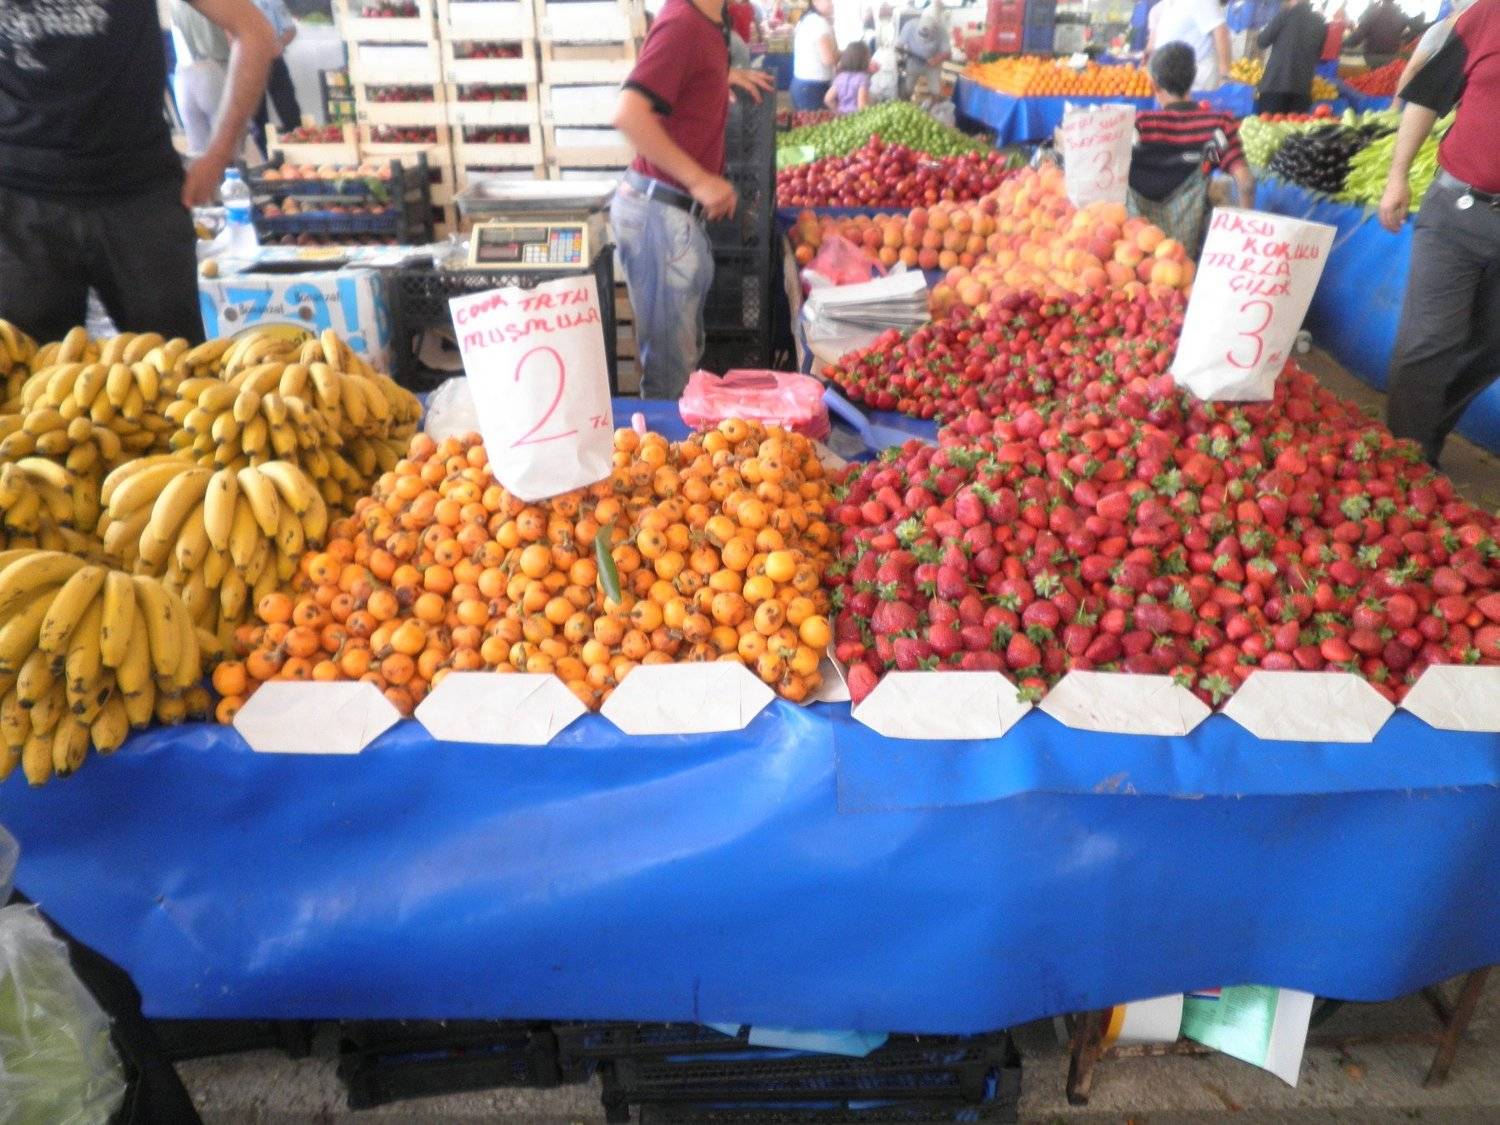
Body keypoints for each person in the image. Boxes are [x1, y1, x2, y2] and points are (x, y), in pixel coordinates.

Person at [0, 0, 276, 347]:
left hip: (140, 201)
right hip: (19, 203)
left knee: (175, 370)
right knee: (26, 374)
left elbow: (254, 32)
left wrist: (219, 155)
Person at [610, 0, 774, 399]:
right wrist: (699, 179)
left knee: (681, 361)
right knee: (670, 375)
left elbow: (687, 77)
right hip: (659, 213)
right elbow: (629, 114)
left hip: (674, 217)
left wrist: (720, 76)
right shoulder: (682, 24)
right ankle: (661, 438)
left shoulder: (712, 23)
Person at [1378, 0, 1500, 467]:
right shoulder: (1485, 17)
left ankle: (1423, 441)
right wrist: (1397, 175)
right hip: (1457, 211)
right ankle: (1406, 464)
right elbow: (1427, 97)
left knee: (1490, 348)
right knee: (1428, 343)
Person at [1127, 42, 1256, 254]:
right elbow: (1246, 182)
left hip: (1137, 250)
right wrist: (1243, 241)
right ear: (1192, 79)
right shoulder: (1217, 127)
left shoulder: (1139, 125)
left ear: (1155, 86)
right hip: (1185, 254)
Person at [1256, 0, 1327, 113]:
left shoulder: (1285, 15)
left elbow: (1262, 42)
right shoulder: (1320, 23)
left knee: (1268, 122)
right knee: (1295, 124)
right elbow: (1318, 54)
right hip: (1302, 90)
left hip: (1275, 85)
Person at [1148, 0, 1232, 90]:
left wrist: (1224, 75)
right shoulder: (1169, 4)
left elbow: (1220, 32)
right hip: (1176, 78)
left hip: (1198, 77)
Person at [253, 0, 304, 149]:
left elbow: (290, 30)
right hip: (247, 62)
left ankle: (299, 150)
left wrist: (277, 45)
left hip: (274, 59)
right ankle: (266, 156)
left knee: (289, 111)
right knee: (256, 116)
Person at [791, 0, 838, 110]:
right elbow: (829, 59)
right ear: (814, 2)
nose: (831, 3)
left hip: (803, 84)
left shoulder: (809, 19)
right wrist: (846, 55)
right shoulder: (819, 24)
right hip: (813, 87)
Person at [897, 8, 949, 102]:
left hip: (933, 64)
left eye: (927, 35)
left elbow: (947, 53)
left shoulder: (942, 31)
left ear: (935, 29)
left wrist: (936, 59)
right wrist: (900, 55)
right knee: (908, 88)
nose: (924, 37)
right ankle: (904, 105)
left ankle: (935, 108)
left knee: (935, 90)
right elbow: (899, 46)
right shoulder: (909, 26)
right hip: (913, 62)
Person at [1345, 0, 1409, 68]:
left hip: (1372, 57)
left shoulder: (1373, 13)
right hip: (1392, 57)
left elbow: (1357, 38)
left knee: (1350, 52)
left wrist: (1342, 43)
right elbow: (1410, 29)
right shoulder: (1402, 16)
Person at [826, 42, 873, 112]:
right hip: (857, 116)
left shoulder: (840, 77)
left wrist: (838, 110)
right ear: (865, 59)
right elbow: (862, 105)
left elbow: (828, 99)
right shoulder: (863, 78)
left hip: (842, 115)